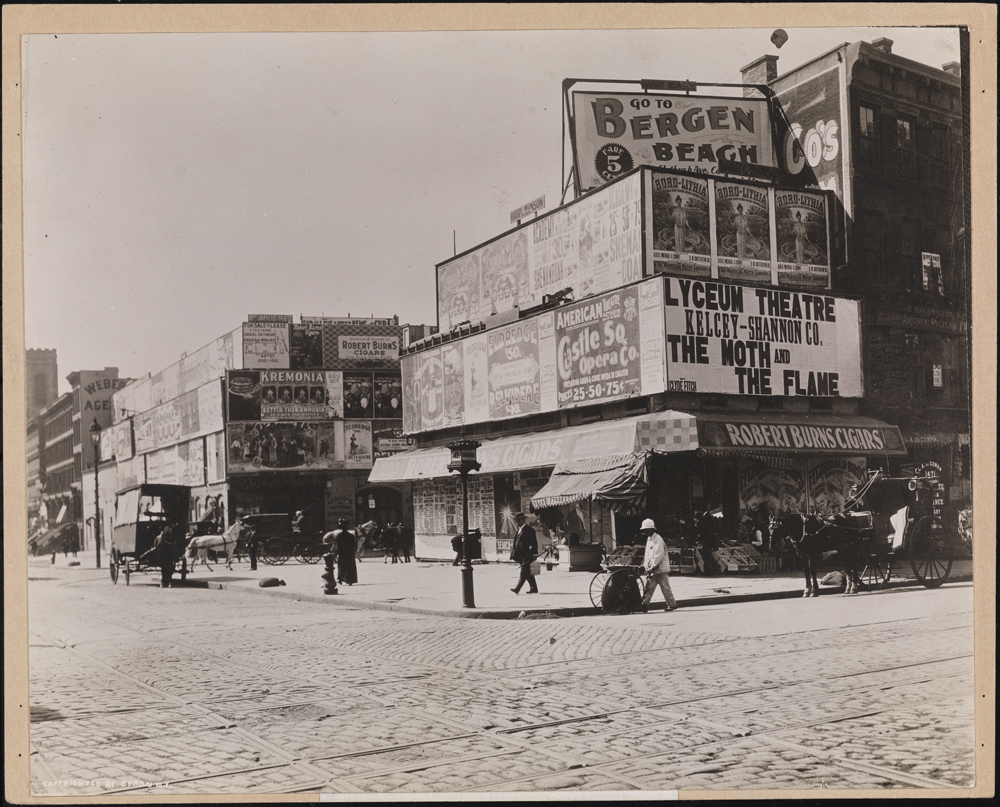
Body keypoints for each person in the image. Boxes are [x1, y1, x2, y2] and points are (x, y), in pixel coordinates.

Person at [639, 518, 677, 612]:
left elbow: (659, 555)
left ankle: (672, 604)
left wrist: (652, 566)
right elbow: (647, 555)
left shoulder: (658, 539)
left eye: (646, 530)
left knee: (665, 587)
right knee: (649, 587)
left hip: (660, 569)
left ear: (651, 529)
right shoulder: (649, 539)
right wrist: (645, 566)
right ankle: (644, 605)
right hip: (652, 569)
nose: (645, 532)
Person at [509, 511, 539, 594]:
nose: (517, 523)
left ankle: (517, 589)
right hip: (520, 555)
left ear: (523, 520)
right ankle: (534, 588)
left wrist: (534, 554)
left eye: (518, 521)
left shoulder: (530, 530)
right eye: (516, 521)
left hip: (527, 555)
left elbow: (534, 543)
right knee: (528, 572)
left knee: (523, 572)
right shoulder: (518, 530)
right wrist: (512, 553)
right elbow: (516, 542)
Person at [145, 520, 179, 588]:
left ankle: (168, 581)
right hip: (162, 550)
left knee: (169, 566)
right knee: (165, 566)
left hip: (170, 548)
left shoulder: (171, 528)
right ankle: (164, 581)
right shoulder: (166, 529)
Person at [331, 519, 358, 585]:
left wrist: (337, 554)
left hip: (342, 553)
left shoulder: (339, 536)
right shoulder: (351, 536)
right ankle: (350, 580)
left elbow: (338, 546)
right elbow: (354, 545)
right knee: (350, 566)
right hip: (350, 553)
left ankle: (340, 579)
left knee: (341, 566)